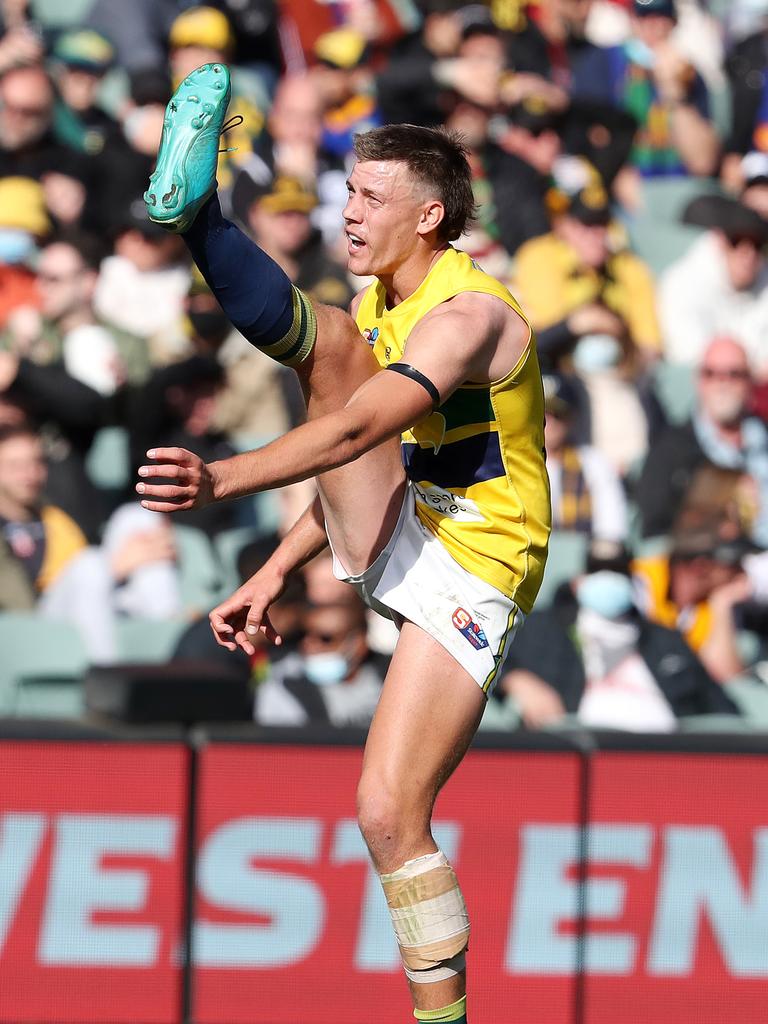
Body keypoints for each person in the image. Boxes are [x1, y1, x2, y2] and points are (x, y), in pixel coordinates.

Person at [138, 62, 550, 1024]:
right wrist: (272, 571)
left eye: (372, 197)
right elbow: (358, 460)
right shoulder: (383, 310)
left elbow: (363, 434)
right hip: (412, 523)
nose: (350, 212)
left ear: (430, 219)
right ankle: (198, 217)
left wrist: (225, 476)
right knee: (330, 345)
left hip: (478, 564)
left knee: (387, 813)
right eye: (347, 192)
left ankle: (442, 1021)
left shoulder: (468, 317)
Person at [498, 541, 738, 731]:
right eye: (598, 571)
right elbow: (486, 661)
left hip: (663, 759)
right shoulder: (542, 629)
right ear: (579, 580)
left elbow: (724, 714)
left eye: (617, 573)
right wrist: (516, 680)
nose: (608, 580)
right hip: (577, 756)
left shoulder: (666, 640)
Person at [635, 337, 768, 543]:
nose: (723, 383)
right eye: (711, 374)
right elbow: (653, 531)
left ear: (750, 381)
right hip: (713, 565)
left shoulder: (763, 436)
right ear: (698, 381)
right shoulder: (670, 450)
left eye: (734, 374)